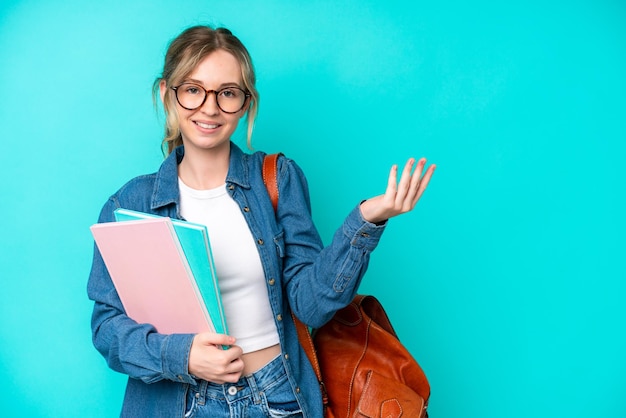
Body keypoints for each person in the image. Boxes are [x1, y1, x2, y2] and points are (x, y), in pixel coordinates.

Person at [87, 25, 435, 418]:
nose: (210, 107)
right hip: (181, 403)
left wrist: (365, 222)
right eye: (193, 89)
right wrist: (182, 356)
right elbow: (107, 327)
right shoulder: (131, 203)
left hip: (277, 397)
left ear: (245, 102)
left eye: (228, 93)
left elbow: (311, 305)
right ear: (169, 94)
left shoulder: (278, 179)